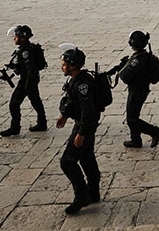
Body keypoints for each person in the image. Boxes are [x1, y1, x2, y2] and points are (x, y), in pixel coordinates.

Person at [56, 47, 101, 214]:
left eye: (64, 64)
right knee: (87, 158)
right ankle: (93, 192)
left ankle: (82, 196)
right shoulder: (76, 79)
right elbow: (73, 102)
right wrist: (64, 116)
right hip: (84, 124)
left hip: (85, 126)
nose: (62, 67)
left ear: (73, 65)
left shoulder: (82, 84)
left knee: (67, 161)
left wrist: (81, 133)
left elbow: (88, 111)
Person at [117, 31, 159, 149]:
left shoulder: (137, 60)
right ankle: (135, 140)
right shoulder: (148, 57)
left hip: (136, 92)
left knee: (131, 119)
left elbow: (125, 77)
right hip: (142, 90)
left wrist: (122, 68)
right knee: (133, 115)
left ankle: (154, 132)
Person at [0, 25, 47, 136]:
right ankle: (42, 123)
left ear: (22, 37)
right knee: (36, 101)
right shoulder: (27, 48)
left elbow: (30, 68)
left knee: (14, 103)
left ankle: (15, 127)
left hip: (27, 80)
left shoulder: (26, 51)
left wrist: (27, 84)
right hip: (31, 80)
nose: (14, 38)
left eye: (16, 36)